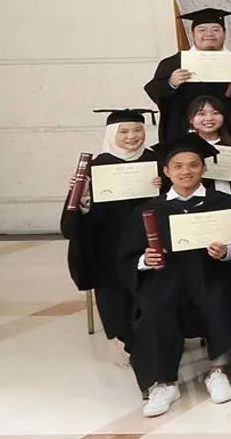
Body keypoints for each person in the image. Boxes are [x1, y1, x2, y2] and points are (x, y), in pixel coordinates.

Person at [124, 134, 231, 416]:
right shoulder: (149, 210)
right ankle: (163, 383)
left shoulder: (224, 203)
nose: (185, 171)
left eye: (193, 165)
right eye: (177, 166)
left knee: (219, 300)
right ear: (166, 171)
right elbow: (127, 256)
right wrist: (144, 260)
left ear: (204, 168)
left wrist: (226, 252)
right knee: (153, 309)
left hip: (210, 274)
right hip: (166, 279)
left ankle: (217, 372)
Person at [62, 108, 158, 354]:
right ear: (111, 134)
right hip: (109, 241)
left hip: (149, 239)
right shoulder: (96, 166)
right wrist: (81, 195)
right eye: (123, 131)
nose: (132, 136)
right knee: (111, 281)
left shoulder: (157, 161)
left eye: (137, 130)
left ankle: (156, 335)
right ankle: (122, 338)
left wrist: (165, 183)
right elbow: (74, 222)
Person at [145, 8, 231, 143]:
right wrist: (171, 83)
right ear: (192, 34)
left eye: (215, 30)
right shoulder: (173, 63)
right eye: (202, 30)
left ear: (224, 33)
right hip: (183, 134)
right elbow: (156, 93)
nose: (209, 34)